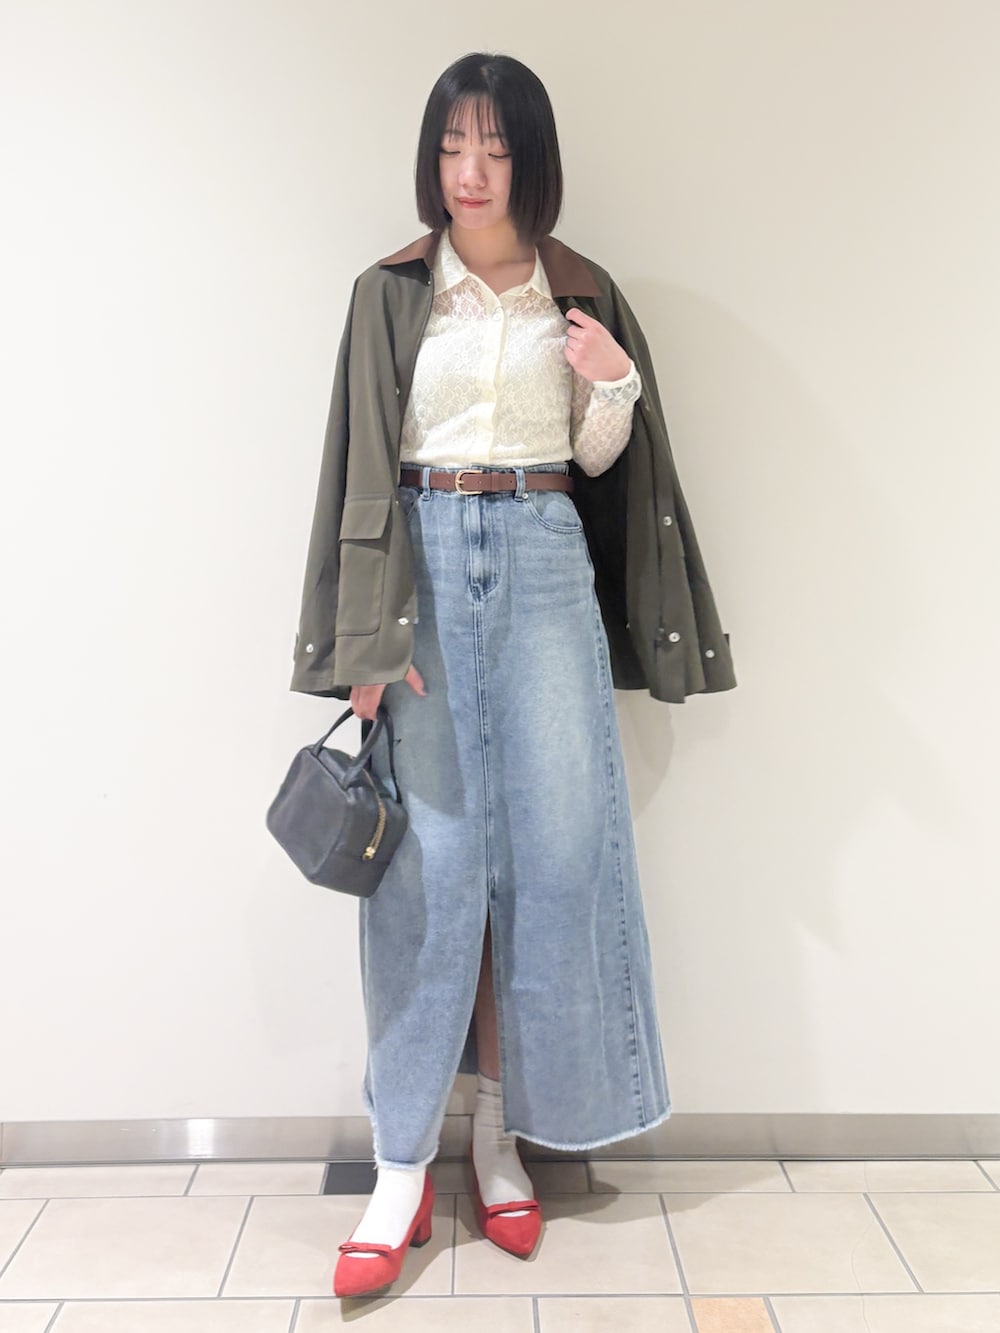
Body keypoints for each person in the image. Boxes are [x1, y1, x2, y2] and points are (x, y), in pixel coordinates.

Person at [290, 52, 735, 1299]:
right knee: (425, 874)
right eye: (451, 146)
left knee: (551, 860)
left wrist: (613, 386)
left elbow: (596, 465)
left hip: (541, 561)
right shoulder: (392, 292)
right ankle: (397, 1166)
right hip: (424, 569)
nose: (469, 171)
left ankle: (501, 1141)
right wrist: (363, 646)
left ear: (529, 157)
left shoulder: (578, 292)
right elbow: (359, 467)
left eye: (491, 146)